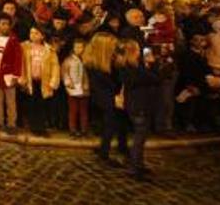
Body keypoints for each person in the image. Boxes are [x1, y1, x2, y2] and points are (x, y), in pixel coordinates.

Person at [84, 32, 128, 166]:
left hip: (109, 96)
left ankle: (119, 147)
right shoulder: (95, 66)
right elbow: (108, 84)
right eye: (112, 45)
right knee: (110, 124)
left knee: (118, 122)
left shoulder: (108, 61)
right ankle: (104, 153)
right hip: (106, 98)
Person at [118, 41, 160, 181]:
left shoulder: (129, 67)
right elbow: (155, 78)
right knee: (139, 138)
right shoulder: (133, 69)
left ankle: (138, 164)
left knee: (140, 137)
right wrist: (153, 64)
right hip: (140, 107)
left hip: (136, 105)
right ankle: (135, 167)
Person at [20, 26, 60, 136]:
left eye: (36, 33)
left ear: (42, 36)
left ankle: (41, 127)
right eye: (31, 33)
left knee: (42, 105)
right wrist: (22, 78)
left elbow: (55, 66)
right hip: (30, 80)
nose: (33, 35)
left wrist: (53, 81)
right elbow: (21, 63)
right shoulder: (24, 47)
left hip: (43, 81)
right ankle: (33, 126)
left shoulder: (49, 49)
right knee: (31, 104)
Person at [0, 13, 23, 134]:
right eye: (3, 24)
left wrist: (16, 75)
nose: (6, 26)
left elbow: (18, 58)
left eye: (7, 24)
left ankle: (11, 124)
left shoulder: (13, 40)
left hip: (8, 75)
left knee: (10, 101)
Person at [63, 39, 90, 137]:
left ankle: (84, 129)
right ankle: (73, 129)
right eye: (77, 47)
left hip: (84, 89)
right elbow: (65, 72)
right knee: (73, 110)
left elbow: (88, 74)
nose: (79, 49)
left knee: (84, 110)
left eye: (81, 47)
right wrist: (68, 82)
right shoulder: (68, 60)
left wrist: (87, 84)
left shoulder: (87, 60)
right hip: (73, 88)